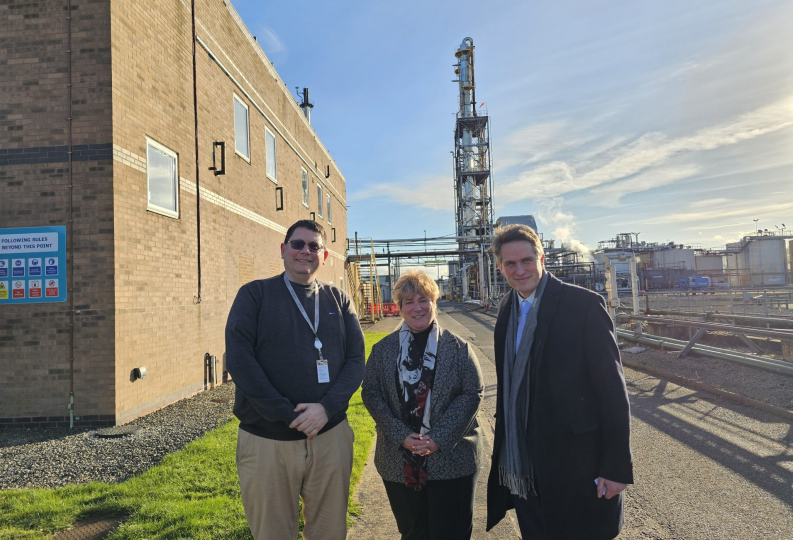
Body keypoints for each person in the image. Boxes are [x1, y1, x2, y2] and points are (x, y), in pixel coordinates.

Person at [485, 224, 634, 540]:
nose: (520, 270)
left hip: (577, 465)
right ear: (500, 268)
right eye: (510, 264)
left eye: (526, 260)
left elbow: (612, 391)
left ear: (542, 259)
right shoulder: (506, 310)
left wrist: (616, 467)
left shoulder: (582, 305)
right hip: (525, 468)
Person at [225, 219, 365, 540]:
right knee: (273, 533)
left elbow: (357, 360)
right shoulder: (255, 295)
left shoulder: (339, 300)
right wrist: (289, 415)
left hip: (330, 439)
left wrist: (326, 409)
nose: (305, 251)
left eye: (314, 246)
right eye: (298, 244)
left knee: (330, 532)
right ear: (283, 249)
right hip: (268, 442)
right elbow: (239, 359)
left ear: (324, 256)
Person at [362, 269, 484, 540]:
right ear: (400, 307)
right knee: (413, 533)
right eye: (409, 302)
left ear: (434, 301)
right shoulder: (383, 350)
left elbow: (472, 392)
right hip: (399, 462)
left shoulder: (459, 348)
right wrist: (401, 435)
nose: (417, 308)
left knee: (451, 533)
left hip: (452, 460)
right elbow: (370, 392)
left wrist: (437, 439)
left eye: (423, 299)